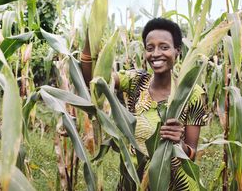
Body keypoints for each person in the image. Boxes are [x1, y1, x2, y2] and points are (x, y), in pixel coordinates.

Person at [81, 18, 206, 190]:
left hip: (177, 185)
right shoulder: (135, 81)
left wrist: (179, 143)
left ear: (177, 51)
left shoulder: (192, 93)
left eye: (164, 47)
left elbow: (191, 153)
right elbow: (95, 80)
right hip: (135, 181)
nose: (155, 54)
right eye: (150, 48)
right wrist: (90, 36)